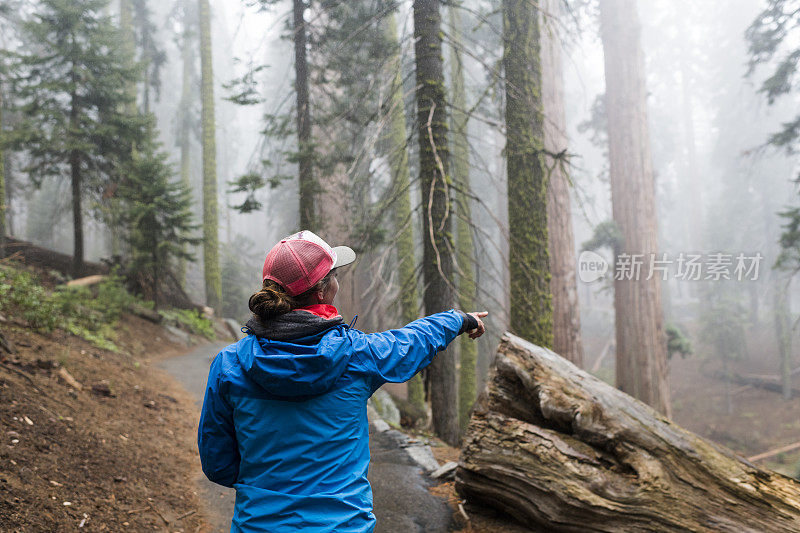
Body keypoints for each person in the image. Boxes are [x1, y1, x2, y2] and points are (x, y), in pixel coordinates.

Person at [198, 230, 487, 532]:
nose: (338, 282)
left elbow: (218, 464)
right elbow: (410, 342)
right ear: (323, 292)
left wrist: (265, 490)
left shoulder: (229, 366)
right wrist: (457, 319)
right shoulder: (357, 356)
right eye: (334, 275)